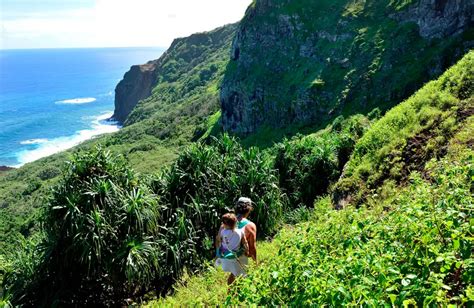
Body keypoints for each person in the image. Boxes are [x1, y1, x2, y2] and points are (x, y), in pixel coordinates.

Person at [215, 213, 249, 285]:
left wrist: (221, 229)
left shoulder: (222, 232)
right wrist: (246, 250)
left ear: (225, 224)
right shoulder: (240, 232)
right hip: (235, 255)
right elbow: (245, 243)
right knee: (240, 272)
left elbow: (218, 239)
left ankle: (232, 286)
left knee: (232, 273)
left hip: (225, 255)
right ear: (235, 222)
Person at [233, 197, 257, 281]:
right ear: (249, 209)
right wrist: (255, 263)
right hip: (241, 256)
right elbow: (252, 248)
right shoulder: (250, 225)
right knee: (241, 281)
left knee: (233, 277)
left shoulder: (228, 222)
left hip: (228, 255)